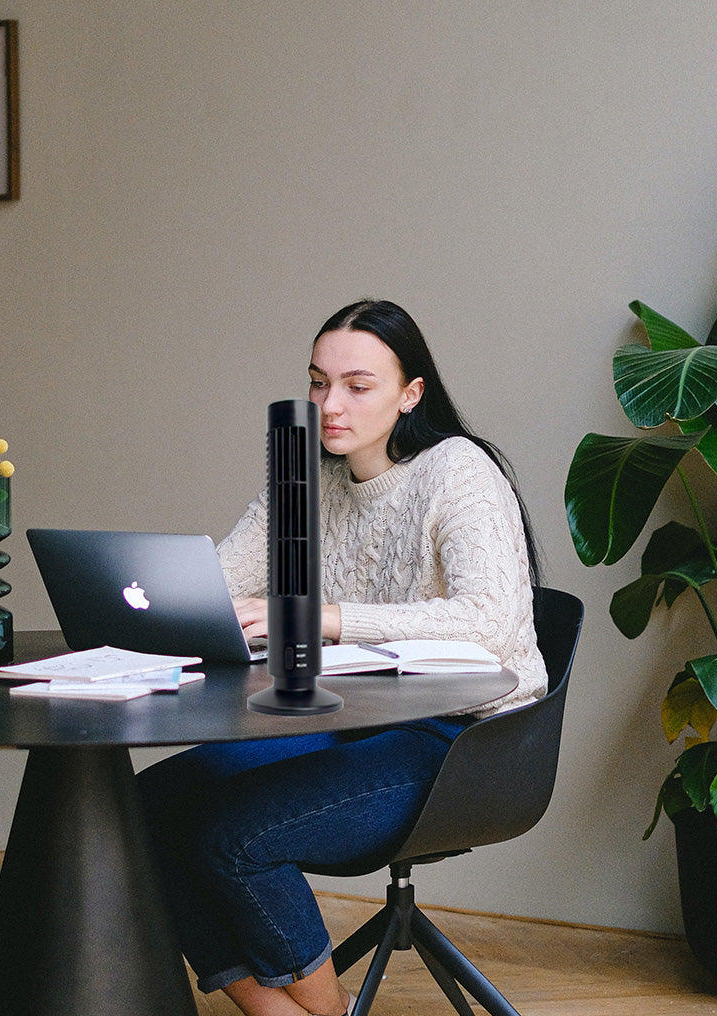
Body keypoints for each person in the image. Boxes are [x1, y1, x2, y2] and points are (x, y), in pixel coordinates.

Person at [138, 298, 546, 1016]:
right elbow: (222, 579)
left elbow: (488, 623)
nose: (330, 405)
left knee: (235, 838)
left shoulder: (457, 470)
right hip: (354, 719)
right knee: (144, 805)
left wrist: (317, 619)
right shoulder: (308, 476)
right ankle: (270, 1009)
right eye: (318, 383)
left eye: (358, 386)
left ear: (409, 394)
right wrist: (135, 591)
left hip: (464, 740)